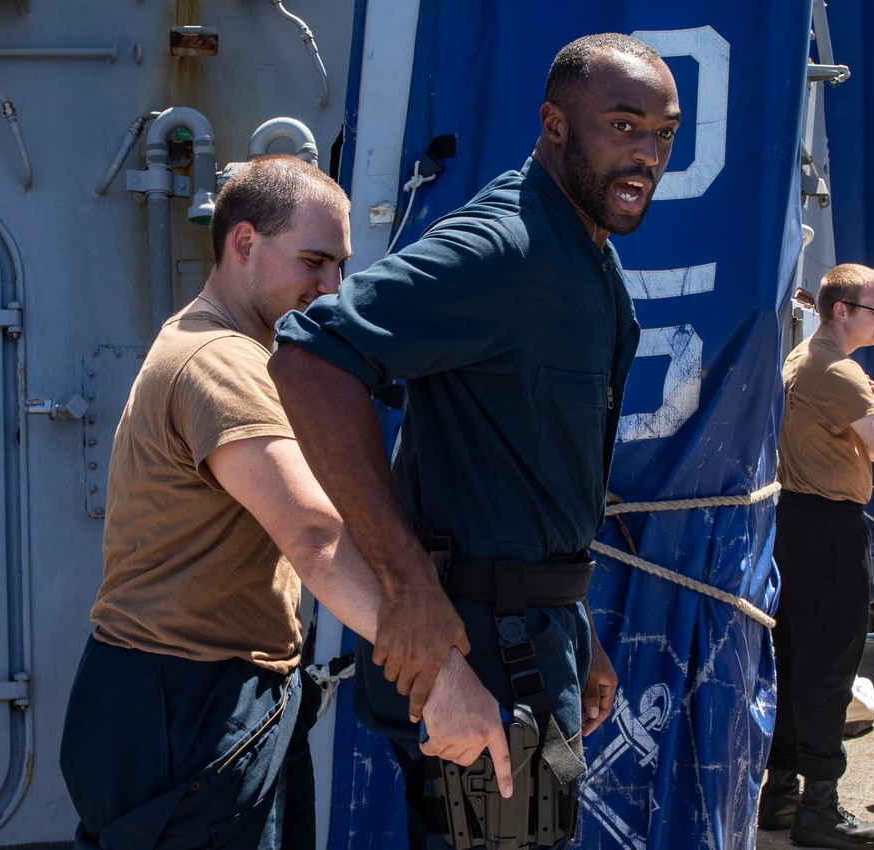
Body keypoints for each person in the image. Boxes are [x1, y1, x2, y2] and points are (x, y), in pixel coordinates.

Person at [268, 33, 681, 850]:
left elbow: (524, 470)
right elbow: (311, 359)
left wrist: (581, 629)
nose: (647, 155)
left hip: (538, 638)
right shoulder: (502, 247)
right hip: (477, 655)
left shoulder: (586, 257)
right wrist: (406, 582)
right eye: (623, 126)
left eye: (664, 134)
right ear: (554, 124)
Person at [58, 154, 510, 850]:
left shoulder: (243, 348)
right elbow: (316, 536)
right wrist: (442, 676)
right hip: (181, 701)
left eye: (341, 266)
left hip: (218, 693)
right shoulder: (220, 362)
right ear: (244, 243)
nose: (333, 287)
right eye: (314, 262)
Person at [760, 263, 874, 848]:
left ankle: (782, 796)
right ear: (840, 311)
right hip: (826, 533)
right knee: (828, 671)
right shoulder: (838, 372)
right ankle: (820, 808)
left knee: (797, 663)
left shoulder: (801, 358)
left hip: (795, 527)